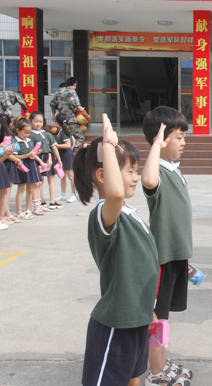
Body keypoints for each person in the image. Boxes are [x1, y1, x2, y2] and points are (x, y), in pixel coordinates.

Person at [76, 114, 159, 386]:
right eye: (130, 171)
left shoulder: (130, 213)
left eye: (137, 171)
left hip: (137, 318)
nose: (136, 177)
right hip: (116, 324)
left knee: (134, 378)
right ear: (103, 175)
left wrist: (150, 310)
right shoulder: (105, 213)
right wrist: (109, 146)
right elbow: (113, 194)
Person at [141, 106, 193, 386]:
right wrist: (156, 146)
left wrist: (186, 258)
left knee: (163, 315)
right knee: (155, 316)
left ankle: (161, 361)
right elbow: (147, 181)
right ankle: (156, 372)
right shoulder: (157, 170)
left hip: (175, 256)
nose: (184, 143)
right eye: (178, 137)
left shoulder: (173, 169)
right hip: (161, 257)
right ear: (160, 140)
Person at [12, 117, 46, 220]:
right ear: (17, 130)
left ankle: (27, 209)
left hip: (31, 164)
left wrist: (39, 159)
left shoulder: (30, 141)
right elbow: (15, 156)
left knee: (30, 189)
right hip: (22, 165)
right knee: (21, 189)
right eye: (24, 132)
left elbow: (33, 154)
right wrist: (27, 155)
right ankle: (19, 211)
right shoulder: (16, 142)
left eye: (28, 133)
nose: (26, 135)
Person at [29, 111, 62, 210]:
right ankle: (40, 201)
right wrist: (40, 161)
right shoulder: (30, 135)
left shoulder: (47, 134)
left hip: (48, 158)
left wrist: (57, 159)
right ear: (31, 121)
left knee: (51, 180)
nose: (38, 123)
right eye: (36, 121)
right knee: (39, 181)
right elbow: (32, 151)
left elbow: (53, 148)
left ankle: (52, 201)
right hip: (38, 159)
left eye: (40, 121)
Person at [50, 77, 86, 150]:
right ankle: (71, 149)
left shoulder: (59, 91)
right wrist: (80, 108)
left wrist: (53, 114)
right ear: (75, 84)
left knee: (65, 136)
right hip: (71, 119)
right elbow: (73, 102)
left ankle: (65, 149)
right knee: (80, 138)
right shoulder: (71, 91)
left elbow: (52, 103)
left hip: (61, 118)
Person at [54, 113, 77, 203]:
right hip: (65, 154)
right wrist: (72, 147)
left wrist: (56, 146)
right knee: (62, 175)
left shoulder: (63, 132)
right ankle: (63, 194)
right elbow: (73, 140)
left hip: (66, 155)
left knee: (71, 175)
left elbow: (67, 145)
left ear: (56, 123)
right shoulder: (65, 130)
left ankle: (73, 194)